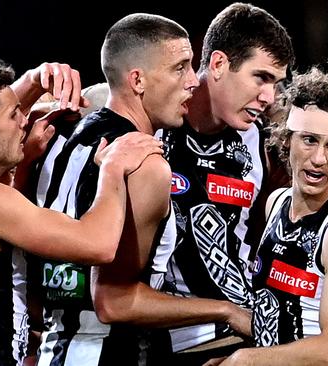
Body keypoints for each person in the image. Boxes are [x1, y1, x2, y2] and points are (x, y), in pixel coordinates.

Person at [0, 60, 162, 365]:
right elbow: (99, 245)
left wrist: (35, 82)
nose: (24, 122)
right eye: (14, 115)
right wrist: (113, 169)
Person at [29, 13, 250, 366]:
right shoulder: (146, 164)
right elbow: (115, 301)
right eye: (181, 68)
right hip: (114, 355)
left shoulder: (58, 138)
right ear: (138, 80)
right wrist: (227, 311)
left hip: (55, 351)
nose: (194, 81)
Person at [211, 65, 328, 365]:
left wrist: (244, 360)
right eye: (309, 139)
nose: (319, 159)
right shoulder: (276, 203)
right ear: (287, 139)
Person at [155, 3, 295, 361]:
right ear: (218, 64)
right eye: (260, 78)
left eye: (276, 84)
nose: (269, 98)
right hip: (169, 339)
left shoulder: (264, 146)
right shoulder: (149, 123)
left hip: (247, 334)